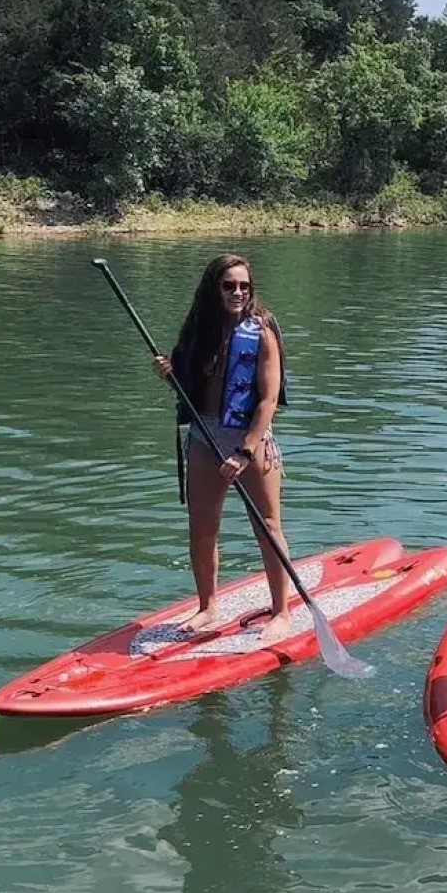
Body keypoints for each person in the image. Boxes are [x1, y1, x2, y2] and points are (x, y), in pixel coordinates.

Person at [151, 254, 294, 644]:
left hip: (250, 439)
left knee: (267, 527)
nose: (237, 292)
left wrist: (246, 450)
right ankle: (207, 607)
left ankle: (281, 611)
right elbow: (190, 384)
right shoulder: (200, 329)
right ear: (214, 288)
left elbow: (268, 400)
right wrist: (169, 373)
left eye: (244, 286)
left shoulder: (262, 330)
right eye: (229, 285)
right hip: (204, 436)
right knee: (202, 528)